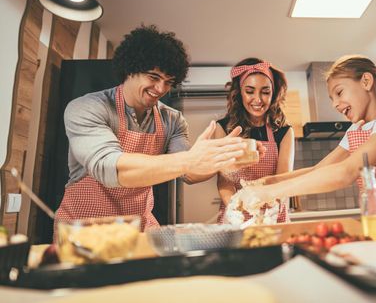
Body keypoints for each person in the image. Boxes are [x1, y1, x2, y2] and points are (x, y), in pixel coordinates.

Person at [54, 25, 253, 235]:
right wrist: (190, 159)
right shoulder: (87, 107)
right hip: (82, 230)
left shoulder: (172, 120)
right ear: (130, 68)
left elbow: (189, 172)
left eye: (168, 82)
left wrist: (221, 158)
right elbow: (109, 168)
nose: (160, 89)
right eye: (153, 77)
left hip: (138, 227)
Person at [240, 55, 376, 235]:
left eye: (339, 93)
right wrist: (269, 181)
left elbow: (347, 172)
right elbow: (319, 169)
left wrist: (270, 192)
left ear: (366, 81)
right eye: (332, 98)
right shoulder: (356, 129)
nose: (335, 105)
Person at [215, 58, 294, 224]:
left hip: (272, 215)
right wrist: (235, 209)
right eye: (250, 91)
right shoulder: (224, 129)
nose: (257, 99)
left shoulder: (284, 132)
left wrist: (271, 209)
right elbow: (224, 181)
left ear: (273, 94)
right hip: (236, 216)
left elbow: (282, 180)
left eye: (265, 92)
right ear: (239, 92)